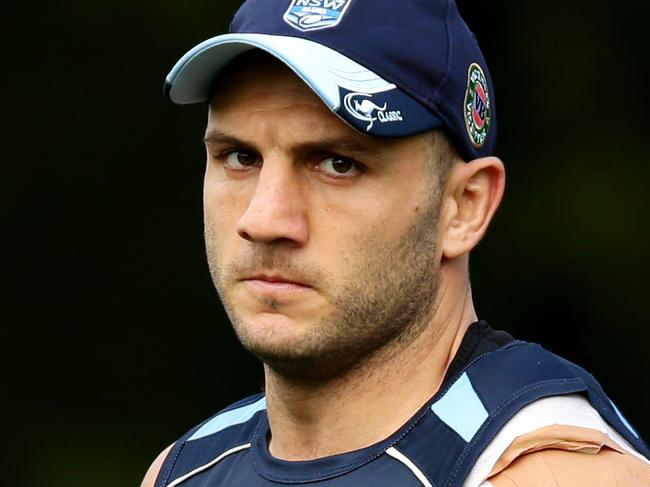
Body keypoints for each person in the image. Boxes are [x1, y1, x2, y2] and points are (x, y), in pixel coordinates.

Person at [143, 1, 650, 486]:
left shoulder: (544, 471)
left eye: (337, 164)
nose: (265, 218)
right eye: (239, 157)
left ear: (463, 206)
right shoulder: (186, 470)